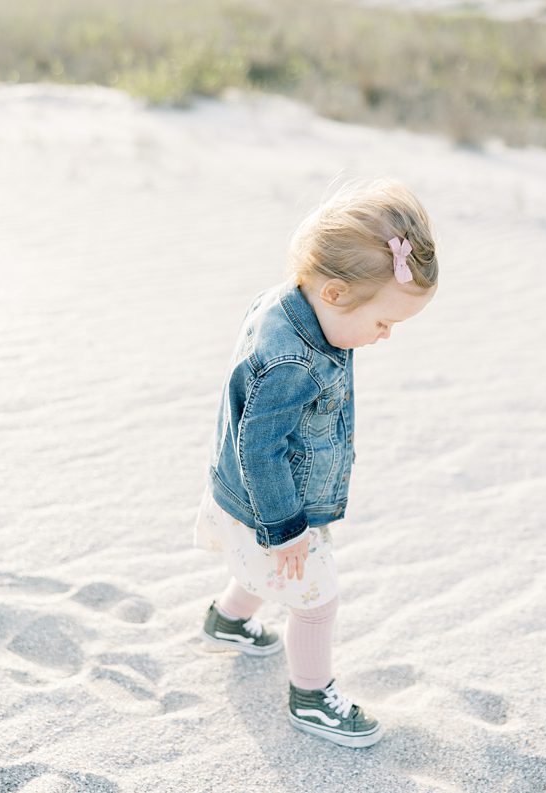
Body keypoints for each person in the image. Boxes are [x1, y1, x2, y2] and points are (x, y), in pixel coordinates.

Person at [192, 180, 438, 748]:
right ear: (333, 293)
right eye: (384, 323)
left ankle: (227, 621)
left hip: (255, 493)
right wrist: (285, 529)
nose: (385, 337)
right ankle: (310, 697)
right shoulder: (291, 362)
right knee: (315, 598)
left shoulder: (289, 303)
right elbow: (261, 447)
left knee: (267, 571)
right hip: (271, 504)